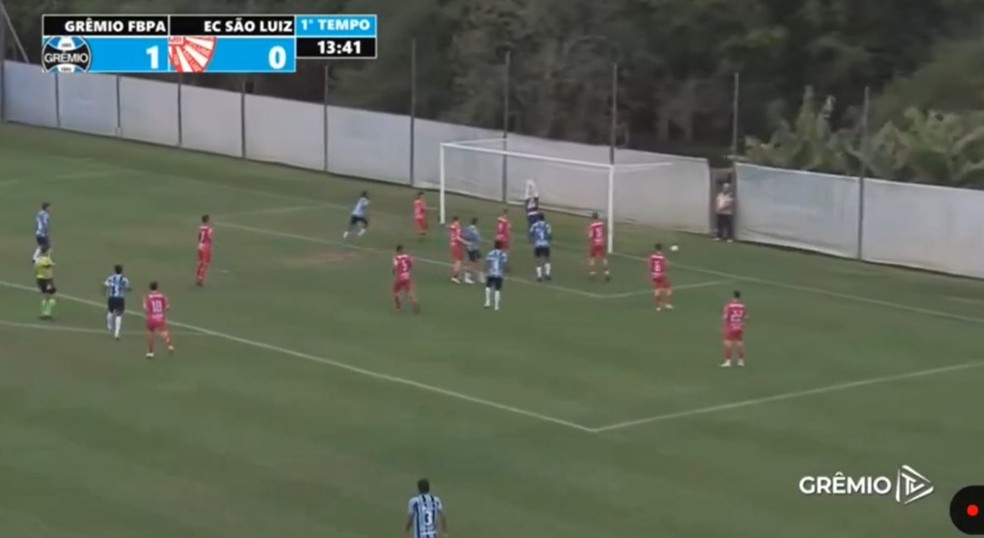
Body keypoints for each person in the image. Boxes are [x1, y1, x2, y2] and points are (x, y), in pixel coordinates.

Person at [143, 281, 174, 359]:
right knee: (164, 332)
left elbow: (146, 308)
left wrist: (144, 303)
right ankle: (169, 344)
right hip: (160, 317)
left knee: (150, 334)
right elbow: (167, 307)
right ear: (157, 287)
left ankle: (151, 352)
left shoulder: (147, 297)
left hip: (151, 318)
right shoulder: (162, 296)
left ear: (150, 288)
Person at [104, 264, 130, 340]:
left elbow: (106, 284)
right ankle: (117, 332)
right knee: (119, 315)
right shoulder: (124, 279)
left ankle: (109, 326)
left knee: (110, 312)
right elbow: (127, 287)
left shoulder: (110, 278)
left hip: (111, 297)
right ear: (121, 270)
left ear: (114, 270)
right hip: (120, 298)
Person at [722, 290, 747, 367]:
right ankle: (741, 361)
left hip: (731, 327)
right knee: (739, 343)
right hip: (739, 327)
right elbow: (745, 317)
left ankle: (728, 361)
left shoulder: (729, 306)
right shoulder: (743, 306)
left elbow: (725, 317)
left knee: (728, 343)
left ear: (733, 296)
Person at [392, 245, 419, 313]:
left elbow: (395, 268)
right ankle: (414, 302)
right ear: (402, 250)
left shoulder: (396, 258)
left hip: (399, 278)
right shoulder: (407, 257)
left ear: (397, 251)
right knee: (410, 291)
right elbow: (411, 265)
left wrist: (394, 273)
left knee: (396, 292)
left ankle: (398, 307)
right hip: (407, 277)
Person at [648, 243, 673, 311]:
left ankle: (658, 307)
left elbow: (650, 265)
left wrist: (652, 273)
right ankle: (668, 304)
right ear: (661, 249)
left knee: (657, 290)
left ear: (655, 249)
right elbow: (665, 265)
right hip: (661, 275)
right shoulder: (662, 257)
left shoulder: (652, 256)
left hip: (654, 275)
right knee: (668, 289)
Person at [484, 240, 508, 310]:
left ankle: (487, 302)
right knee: (497, 289)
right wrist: (504, 272)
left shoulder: (490, 253)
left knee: (488, 287)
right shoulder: (503, 254)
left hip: (491, 273)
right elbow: (504, 265)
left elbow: (487, 263)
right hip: (499, 274)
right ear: (501, 246)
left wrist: (485, 271)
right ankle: (496, 306)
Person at [34, 245, 56, 320]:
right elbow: (49, 268)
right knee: (49, 296)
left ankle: (44, 313)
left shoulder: (38, 259)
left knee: (45, 296)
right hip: (46, 279)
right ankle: (46, 313)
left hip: (39, 279)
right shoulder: (46, 260)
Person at [587, 212, 610, 280]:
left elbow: (590, 236)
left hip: (594, 244)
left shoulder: (591, 226)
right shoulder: (602, 224)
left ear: (592, 218)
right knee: (603, 258)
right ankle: (606, 272)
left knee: (592, 258)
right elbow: (605, 231)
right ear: (598, 217)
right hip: (601, 243)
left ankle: (592, 273)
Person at [530, 213, 552, 281]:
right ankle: (547, 274)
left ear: (538, 218)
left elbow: (531, 232)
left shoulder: (535, 225)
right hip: (545, 244)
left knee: (538, 260)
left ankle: (539, 276)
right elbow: (549, 234)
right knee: (547, 259)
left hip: (538, 245)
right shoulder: (547, 225)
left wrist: (535, 238)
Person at [463, 217, 483, 284]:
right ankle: (468, 277)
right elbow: (478, 239)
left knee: (474, 261)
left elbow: (465, 236)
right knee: (473, 262)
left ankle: (478, 276)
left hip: (469, 248)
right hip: (474, 248)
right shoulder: (475, 230)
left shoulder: (467, 229)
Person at [196, 214, 213, 286]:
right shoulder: (209, 228)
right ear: (208, 220)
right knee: (205, 263)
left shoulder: (200, 228)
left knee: (200, 262)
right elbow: (209, 237)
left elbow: (199, 236)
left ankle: (198, 277)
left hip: (200, 245)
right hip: (206, 246)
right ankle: (200, 279)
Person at [448, 216, 465, 283]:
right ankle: (455, 277)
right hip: (457, 246)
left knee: (457, 261)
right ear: (455, 221)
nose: (458, 223)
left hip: (453, 245)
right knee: (458, 261)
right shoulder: (457, 228)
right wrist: (465, 242)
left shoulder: (452, 227)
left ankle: (456, 275)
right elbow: (457, 237)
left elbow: (450, 227)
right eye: (457, 221)